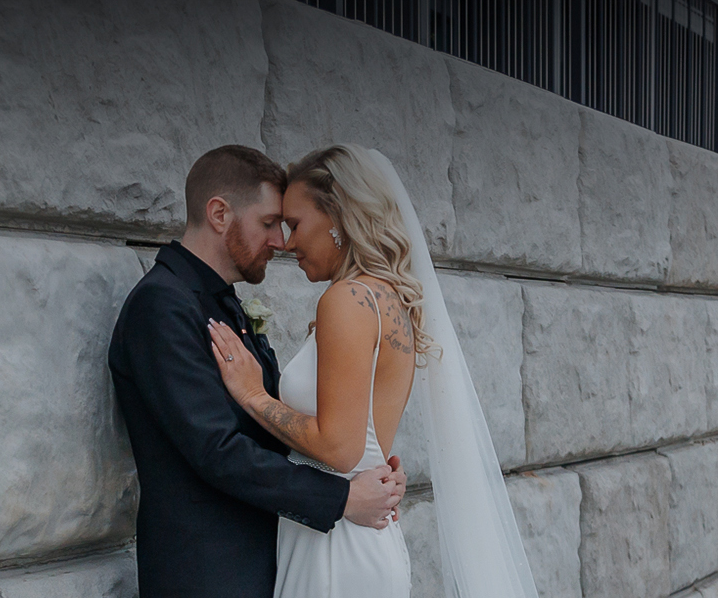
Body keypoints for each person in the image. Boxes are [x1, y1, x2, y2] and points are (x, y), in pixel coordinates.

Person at [206, 145, 540, 597]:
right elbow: (362, 439)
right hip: (354, 530)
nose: (287, 242)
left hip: (336, 546)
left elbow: (340, 447)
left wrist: (253, 396)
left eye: (296, 223)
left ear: (339, 216)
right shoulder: (387, 298)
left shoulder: (348, 300)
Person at [107, 145, 408, 598]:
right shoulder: (162, 305)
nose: (280, 241)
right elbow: (217, 448)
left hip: (269, 558)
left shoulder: (225, 302)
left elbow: (278, 431)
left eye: (286, 224)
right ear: (219, 213)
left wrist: (370, 473)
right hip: (209, 572)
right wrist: (343, 497)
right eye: (269, 223)